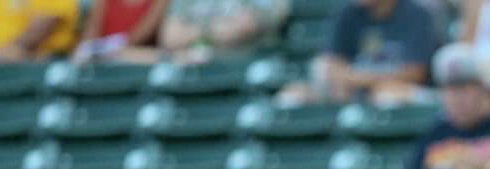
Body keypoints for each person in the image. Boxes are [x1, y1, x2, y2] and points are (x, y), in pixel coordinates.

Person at [278, 0, 438, 105]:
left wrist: (355, 78)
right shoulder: (347, 12)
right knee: (292, 96)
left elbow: (415, 74)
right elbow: (332, 67)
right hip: (354, 91)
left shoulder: (417, 14)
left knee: (388, 97)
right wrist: (360, 82)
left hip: (403, 94)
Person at [157, 0, 289, 62]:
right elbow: (169, 36)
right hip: (193, 68)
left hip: (245, 66)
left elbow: (247, 26)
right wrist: (209, 33)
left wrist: (193, 34)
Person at [73, 0, 169, 63]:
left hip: (135, 63)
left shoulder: (160, 2)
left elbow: (143, 34)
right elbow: (89, 36)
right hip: (103, 64)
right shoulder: (103, 2)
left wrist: (112, 49)